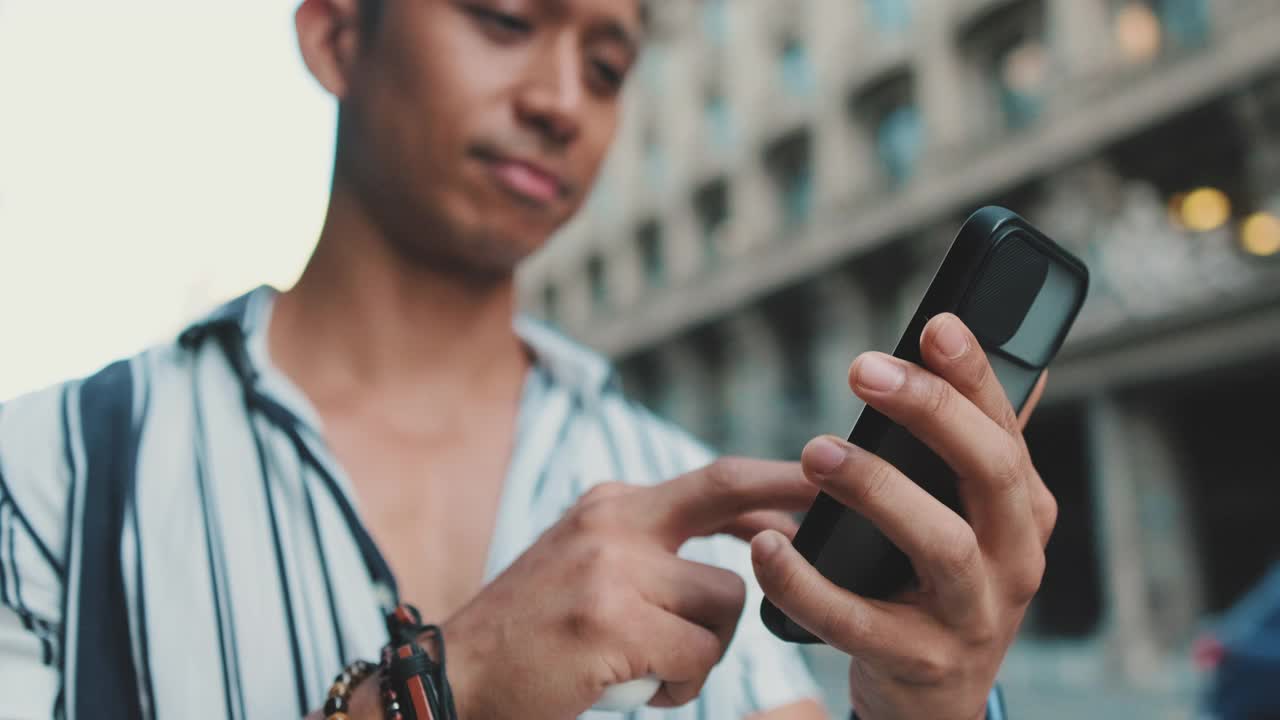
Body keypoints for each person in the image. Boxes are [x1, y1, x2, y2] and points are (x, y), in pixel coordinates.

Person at [0, 1, 1057, 718]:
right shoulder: (49, 475)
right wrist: (444, 688)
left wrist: (928, 704)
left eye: (607, 66)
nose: (560, 102)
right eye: (505, 18)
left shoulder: (689, 498)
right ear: (333, 34)